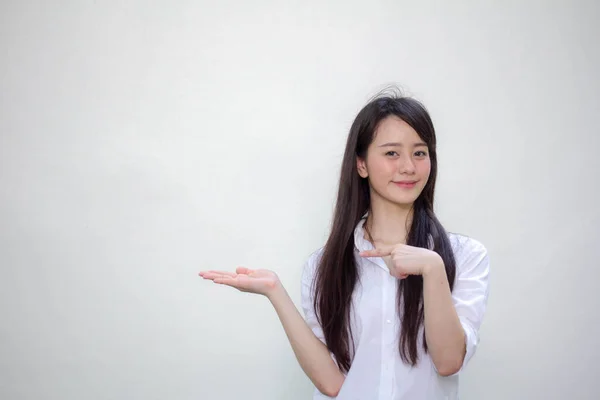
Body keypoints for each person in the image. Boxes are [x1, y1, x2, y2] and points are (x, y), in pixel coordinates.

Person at [199, 92, 490, 399]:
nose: (408, 167)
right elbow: (332, 383)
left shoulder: (465, 256)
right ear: (361, 164)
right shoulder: (324, 266)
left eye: (420, 153)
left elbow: (448, 361)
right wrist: (275, 291)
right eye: (392, 153)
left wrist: (432, 269)